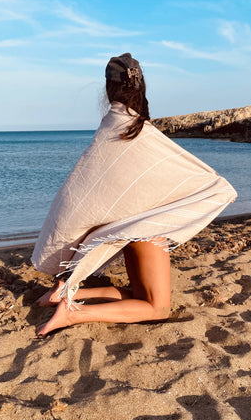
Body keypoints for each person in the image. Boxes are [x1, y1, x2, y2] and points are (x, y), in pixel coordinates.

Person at [33, 53, 237, 337]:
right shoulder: (142, 133)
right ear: (141, 87)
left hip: (127, 228)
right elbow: (177, 173)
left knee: (138, 293)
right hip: (144, 229)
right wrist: (216, 189)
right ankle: (72, 311)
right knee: (157, 308)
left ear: (108, 90)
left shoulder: (109, 130)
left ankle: (65, 292)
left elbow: (83, 192)